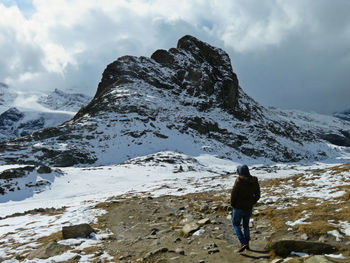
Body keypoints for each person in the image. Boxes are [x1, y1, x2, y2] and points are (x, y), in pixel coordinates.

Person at [230, 164, 260, 252]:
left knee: (236, 224)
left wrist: (232, 204)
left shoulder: (239, 181)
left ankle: (243, 243)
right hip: (248, 208)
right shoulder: (254, 181)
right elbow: (258, 195)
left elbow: (234, 194)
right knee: (246, 226)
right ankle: (247, 244)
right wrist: (252, 202)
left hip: (238, 208)